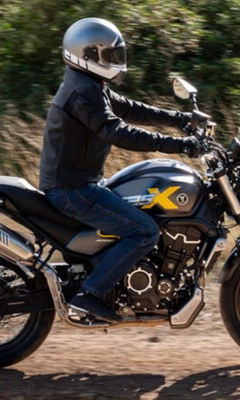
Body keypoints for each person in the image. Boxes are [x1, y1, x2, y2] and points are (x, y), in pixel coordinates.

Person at [39, 17, 204, 322]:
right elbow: (118, 131)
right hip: (73, 190)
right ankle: (90, 295)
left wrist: (180, 120)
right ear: (88, 55)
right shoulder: (83, 93)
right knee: (144, 232)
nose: (115, 61)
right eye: (109, 55)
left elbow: (129, 109)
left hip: (81, 183)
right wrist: (180, 145)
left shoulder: (87, 84)